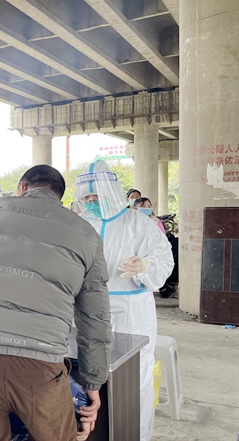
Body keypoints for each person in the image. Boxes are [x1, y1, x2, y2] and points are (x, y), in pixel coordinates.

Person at [0, 165, 113, 441]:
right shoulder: (86, 233)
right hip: (42, 365)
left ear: (21, 187)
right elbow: (95, 317)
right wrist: (93, 383)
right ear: (59, 197)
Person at [74, 160, 174, 441]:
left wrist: (145, 266)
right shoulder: (80, 225)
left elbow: (164, 260)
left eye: (96, 197)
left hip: (131, 311)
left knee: (134, 378)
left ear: (111, 193)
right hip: (86, 310)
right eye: (86, 198)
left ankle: (134, 434)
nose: (91, 203)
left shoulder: (138, 223)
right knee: (87, 374)